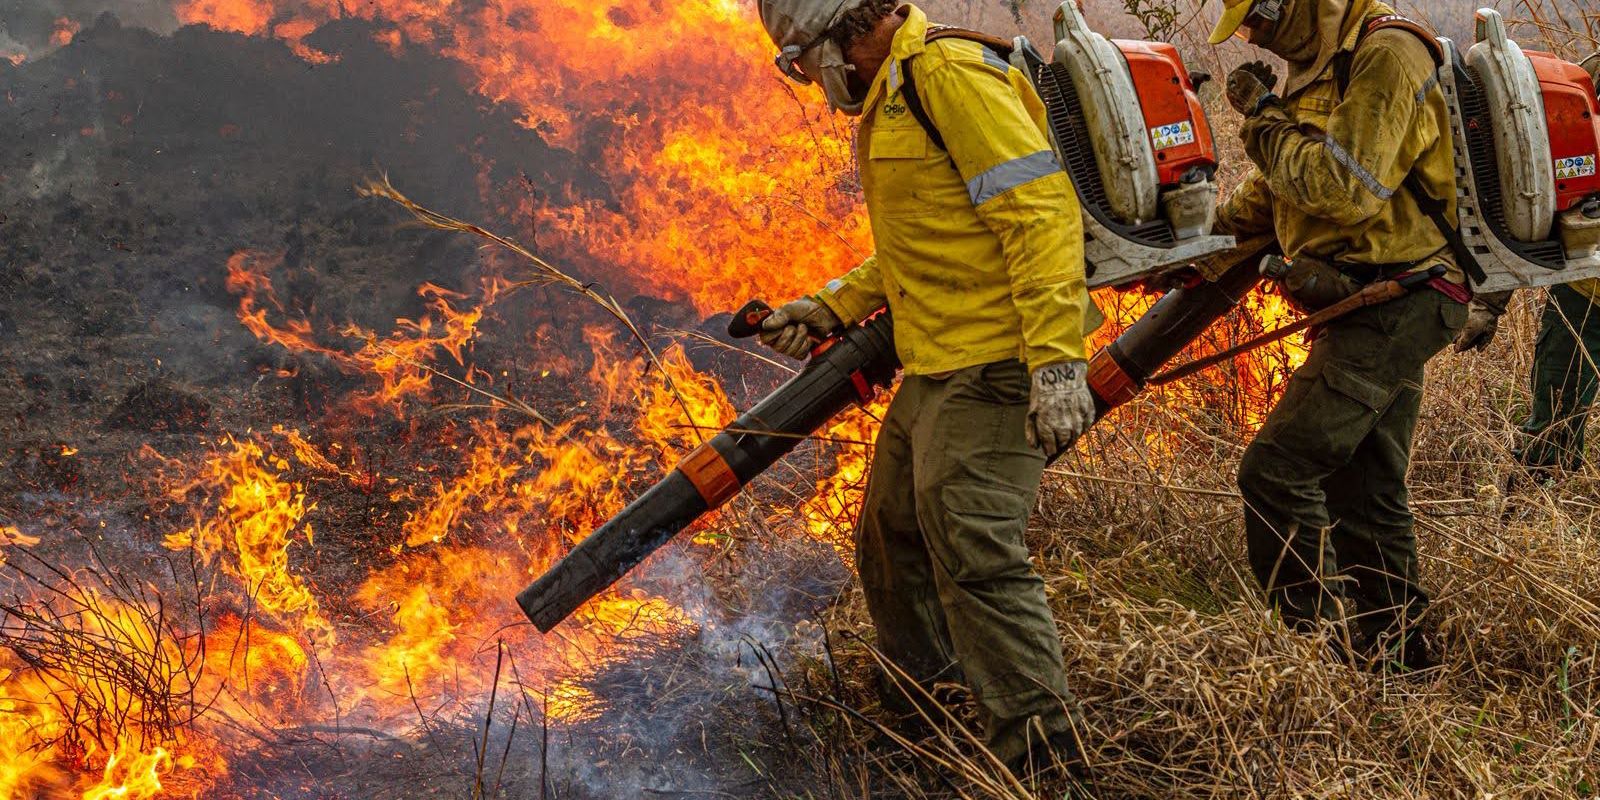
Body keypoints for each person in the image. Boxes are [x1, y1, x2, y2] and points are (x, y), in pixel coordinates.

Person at [756, 0, 1096, 776]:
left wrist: (1055, 363)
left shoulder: (945, 74)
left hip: (999, 357)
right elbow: (927, 238)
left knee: (972, 542)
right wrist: (829, 306)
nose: (813, 83)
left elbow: (1040, 216)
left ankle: (1045, 766)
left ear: (836, 39)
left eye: (803, 64)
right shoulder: (897, 89)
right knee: (890, 535)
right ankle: (928, 726)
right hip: (940, 360)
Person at [1209, 0, 1469, 670]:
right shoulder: (1325, 61)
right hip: (1368, 298)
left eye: (1255, 21)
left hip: (1399, 299)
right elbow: (1285, 188)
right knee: (1365, 488)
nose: (1253, 36)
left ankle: (1316, 664)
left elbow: (1345, 188)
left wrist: (1262, 117)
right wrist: (1201, 228)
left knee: (1275, 471)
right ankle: (1399, 661)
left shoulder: (1386, 54)